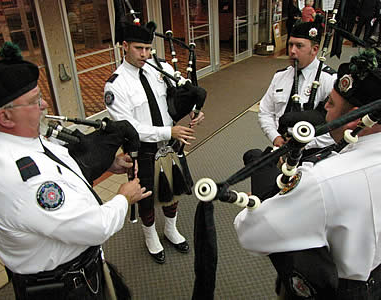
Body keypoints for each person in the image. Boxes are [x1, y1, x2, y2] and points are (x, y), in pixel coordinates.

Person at [0, 42, 151, 300]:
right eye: (34, 101)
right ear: (5, 117)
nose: (45, 103)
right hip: (66, 289)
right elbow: (96, 227)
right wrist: (123, 198)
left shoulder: (13, 142)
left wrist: (109, 164)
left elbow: (59, 169)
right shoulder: (21, 178)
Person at [235, 50, 381, 299]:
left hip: (333, 287)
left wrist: (253, 208)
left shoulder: (324, 179)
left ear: (355, 120)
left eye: (332, 103)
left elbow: (251, 234)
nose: (324, 106)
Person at [104, 22, 205, 264]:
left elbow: (181, 92)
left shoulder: (160, 67)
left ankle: (170, 229)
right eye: (139, 48)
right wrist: (167, 130)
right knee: (146, 196)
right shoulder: (116, 85)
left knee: (174, 188)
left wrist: (194, 109)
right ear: (124, 46)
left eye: (148, 48)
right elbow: (131, 128)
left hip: (171, 143)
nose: (145, 54)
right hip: (142, 151)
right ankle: (150, 236)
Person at [258, 17, 337, 150]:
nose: (292, 51)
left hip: (312, 151)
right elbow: (265, 112)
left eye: (299, 46)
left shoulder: (330, 80)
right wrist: (275, 137)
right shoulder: (280, 76)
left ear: (315, 49)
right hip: (281, 146)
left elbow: (336, 128)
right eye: (290, 45)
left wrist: (301, 144)